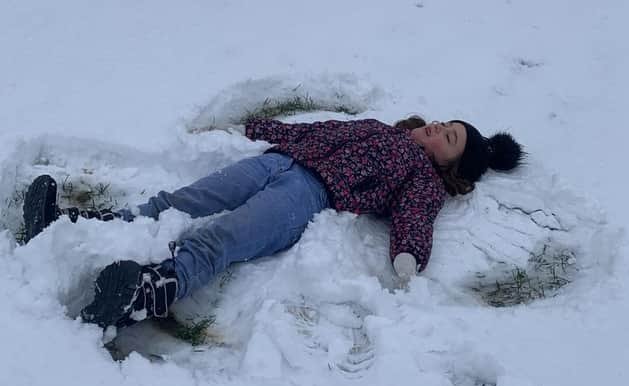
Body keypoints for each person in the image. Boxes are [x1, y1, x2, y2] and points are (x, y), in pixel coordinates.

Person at [22, 115, 524, 328]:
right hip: (276, 161)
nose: (439, 127)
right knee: (186, 199)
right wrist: (264, 130)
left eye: (450, 138)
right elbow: (325, 129)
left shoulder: (422, 179)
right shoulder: (379, 128)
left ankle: (148, 292)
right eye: (447, 122)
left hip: (306, 197)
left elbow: (415, 219)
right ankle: (75, 226)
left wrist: (409, 255)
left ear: (448, 166)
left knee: (227, 235)